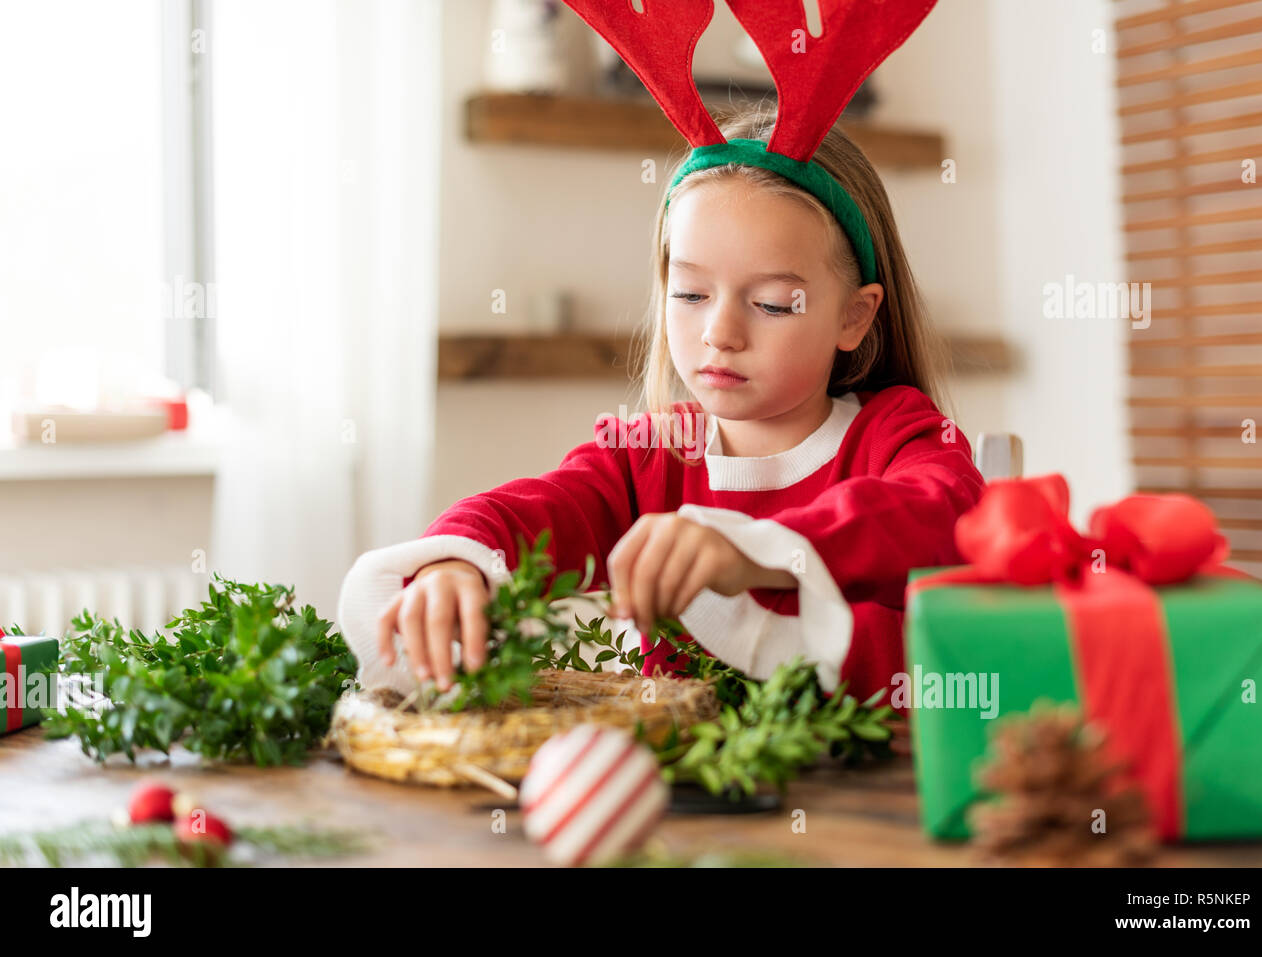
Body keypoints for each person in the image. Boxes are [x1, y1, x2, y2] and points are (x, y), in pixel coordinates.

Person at [348, 103, 985, 707]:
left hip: (868, 802)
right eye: (689, 294)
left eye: (769, 303)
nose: (721, 333)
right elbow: (534, 510)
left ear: (854, 315)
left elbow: (949, 514)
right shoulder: (648, 455)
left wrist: (757, 550)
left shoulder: (893, 432)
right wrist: (456, 565)